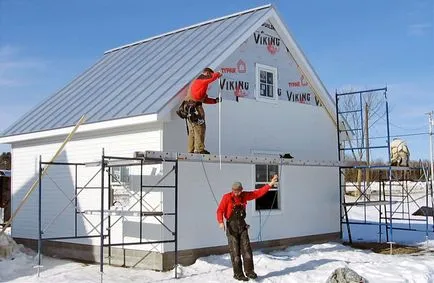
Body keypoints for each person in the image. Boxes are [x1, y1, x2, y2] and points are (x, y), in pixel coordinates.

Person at [217, 174, 279, 281]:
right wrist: (220, 222)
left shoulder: (244, 196)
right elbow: (220, 210)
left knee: (247, 250)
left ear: (241, 190)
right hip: (231, 228)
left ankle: (249, 271)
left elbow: (257, 193)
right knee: (235, 252)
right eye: (235, 191)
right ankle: (238, 274)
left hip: (242, 226)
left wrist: (270, 184)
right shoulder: (227, 197)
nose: (237, 193)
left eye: (239, 191)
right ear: (232, 190)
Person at [183, 67, 222, 154]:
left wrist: (215, 101)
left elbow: (203, 99)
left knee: (193, 129)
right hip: (194, 108)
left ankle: (191, 149)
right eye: (210, 74)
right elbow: (211, 78)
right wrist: (218, 74)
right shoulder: (201, 79)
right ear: (207, 73)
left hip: (190, 107)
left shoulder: (200, 84)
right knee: (200, 127)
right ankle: (199, 149)